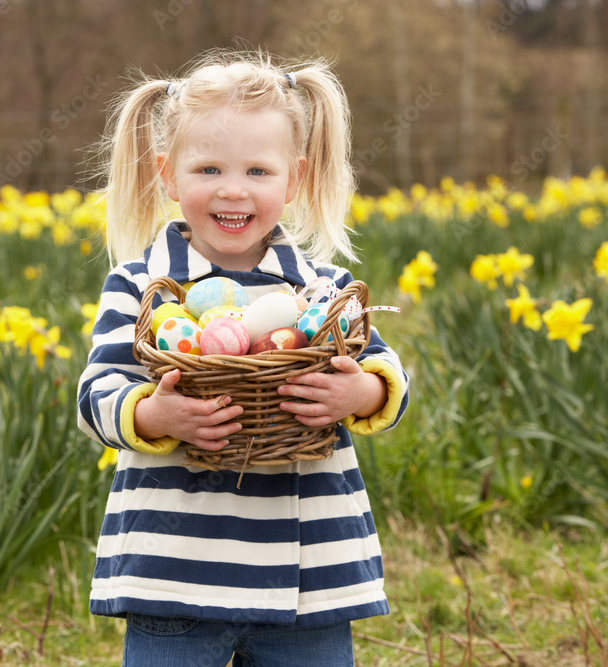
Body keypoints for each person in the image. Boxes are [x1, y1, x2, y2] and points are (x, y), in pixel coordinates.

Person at [77, 48, 409, 666]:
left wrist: (359, 394)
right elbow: (96, 394)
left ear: (296, 178)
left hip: (311, 581)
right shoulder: (142, 287)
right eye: (208, 170)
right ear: (167, 176)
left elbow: (389, 376)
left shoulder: (323, 291)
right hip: (174, 574)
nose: (234, 189)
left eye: (259, 171)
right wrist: (153, 416)